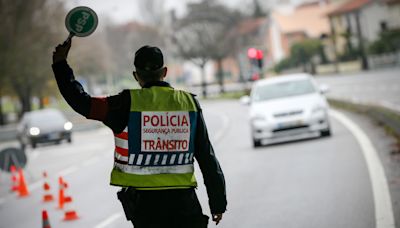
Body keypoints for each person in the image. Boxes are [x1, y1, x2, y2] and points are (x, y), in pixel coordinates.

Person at [52, 38, 227, 228]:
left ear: (136, 76)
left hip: (145, 209)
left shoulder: (123, 104)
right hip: (184, 203)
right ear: (165, 72)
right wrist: (217, 203)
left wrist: (60, 64)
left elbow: (82, 102)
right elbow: (207, 157)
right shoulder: (188, 104)